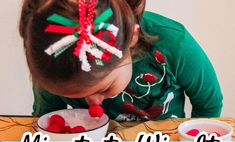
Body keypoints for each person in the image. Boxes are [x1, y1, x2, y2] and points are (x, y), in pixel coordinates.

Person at [19, 0, 223, 121]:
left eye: (103, 88)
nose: (93, 105)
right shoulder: (52, 62)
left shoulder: (176, 43)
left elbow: (208, 106)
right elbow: (47, 119)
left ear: (132, 39)